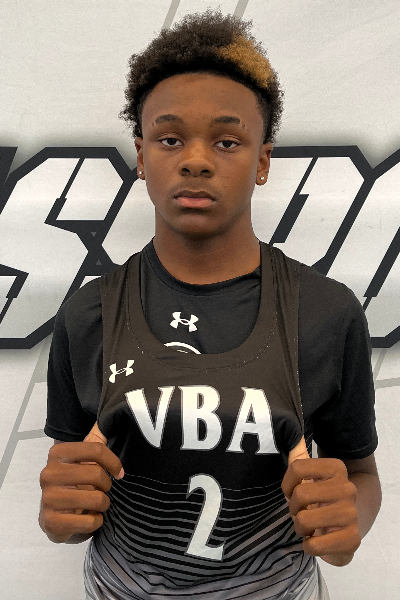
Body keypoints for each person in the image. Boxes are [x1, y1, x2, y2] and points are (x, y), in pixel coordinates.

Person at [39, 9, 381, 600]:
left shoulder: (327, 311)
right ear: (141, 155)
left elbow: (359, 472)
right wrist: (62, 518)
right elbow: (71, 476)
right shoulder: (88, 313)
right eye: (170, 139)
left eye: (226, 141)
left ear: (262, 161)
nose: (195, 160)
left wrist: (350, 522)